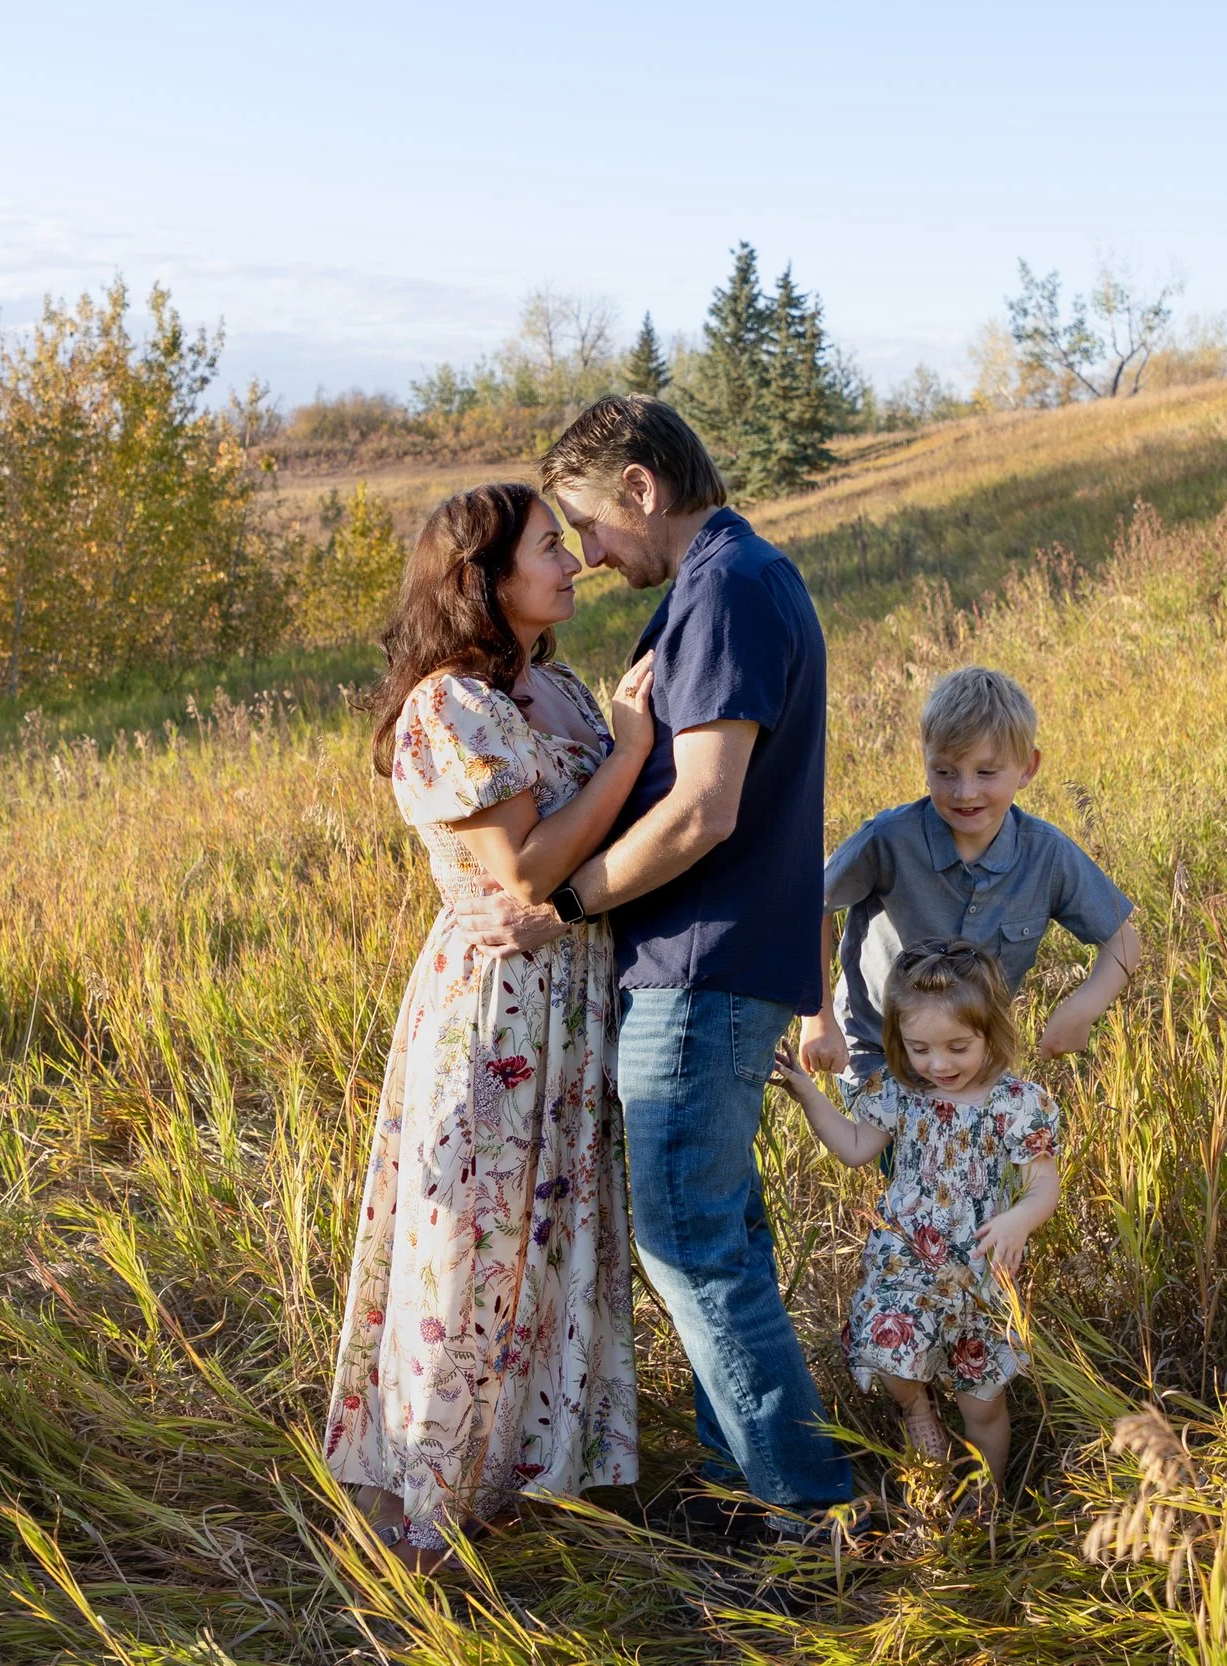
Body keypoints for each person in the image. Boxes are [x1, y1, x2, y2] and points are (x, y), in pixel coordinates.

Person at [450, 395, 856, 1532]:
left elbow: (706, 811)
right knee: (719, 1235)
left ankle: (809, 1507)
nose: (585, 555)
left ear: (639, 488)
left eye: (586, 524)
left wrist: (565, 904)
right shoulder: (730, 582)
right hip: (714, 962)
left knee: (690, 1246)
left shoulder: (725, 587)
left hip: (699, 964)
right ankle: (748, 1482)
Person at [320, 483, 656, 1568]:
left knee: (549, 1245)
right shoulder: (447, 705)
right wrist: (631, 751)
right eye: (550, 548)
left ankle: (516, 1485)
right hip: (498, 1011)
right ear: (482, 579)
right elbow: (529, 865)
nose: (574, 564)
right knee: (468, 1248)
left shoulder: (557, 686)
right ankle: (429, 1512)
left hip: (576, 1001)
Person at [771, 940, 1060, 1486]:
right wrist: (808, 1093)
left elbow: (1044, 1185)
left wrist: (1020, 1219)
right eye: (920, 1048)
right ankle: (918, 1410)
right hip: (904, 1265)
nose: (938, 1064)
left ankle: (986, 1500)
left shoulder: (1019, 1103)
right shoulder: (900, 1092)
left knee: (983, 1406)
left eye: (957, 1047)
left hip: (978, 1278)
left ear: (990, 1032)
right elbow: (856, 1147)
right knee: (887, 1341)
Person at [800, 667, 1139, 1086]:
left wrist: (1083, 1007)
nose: (965, 792)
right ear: (924, 758)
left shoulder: (1046, 854)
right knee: (905, 1151)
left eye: (986, 772)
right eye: (945, 772)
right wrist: (817, 1018)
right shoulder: (888, 841)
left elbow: (1124, 941)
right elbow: (808, 903)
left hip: (973, 1065)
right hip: (880, 1056)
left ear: (1028, 767)